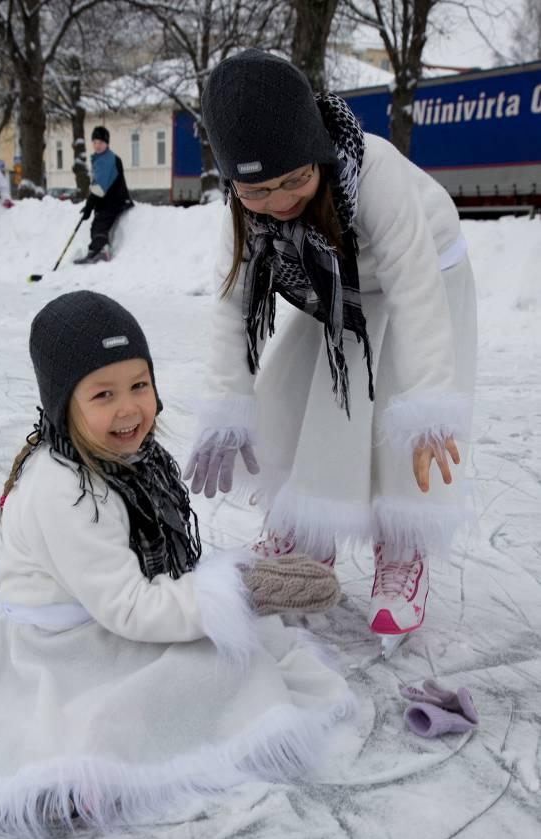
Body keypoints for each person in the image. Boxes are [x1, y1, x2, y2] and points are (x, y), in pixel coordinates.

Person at [0, 290, 354, 838]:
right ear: (64, 403)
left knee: (225, 654)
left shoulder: (128, 459)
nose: (128, 408)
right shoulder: (65, 492)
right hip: (66, 642)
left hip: (100, 610)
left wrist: (226, 592)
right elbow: (132, 608)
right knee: (197, 677)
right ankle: (75, 772)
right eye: (103, 394)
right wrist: (238, 593)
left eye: (139, 385)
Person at [185, 50, 477, 649]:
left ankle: (402, 550)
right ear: (233, 184)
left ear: (317, 150)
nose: (282, 200)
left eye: (296, 178)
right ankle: (305, 532)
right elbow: (232, 305)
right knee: (293, 397)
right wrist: (226, 404)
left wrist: (429, 402)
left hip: (425, 272)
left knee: (398, 412)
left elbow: (415, 289)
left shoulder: (373, 173)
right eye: (259, 189)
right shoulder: (244, 215)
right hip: (339, 287)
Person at [74, 126, 133, 264]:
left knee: (101, 222)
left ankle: (103, 251)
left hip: (115, 200)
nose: (97, 145)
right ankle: (94, 250)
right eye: (94, 142)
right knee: (96, 223)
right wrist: (91, 205)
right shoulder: (101, 158)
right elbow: (98, 185)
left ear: (106, 143)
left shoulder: (108, 160)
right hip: (107, 200)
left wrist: (89, 205)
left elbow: (99, 187)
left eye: (100, 142)